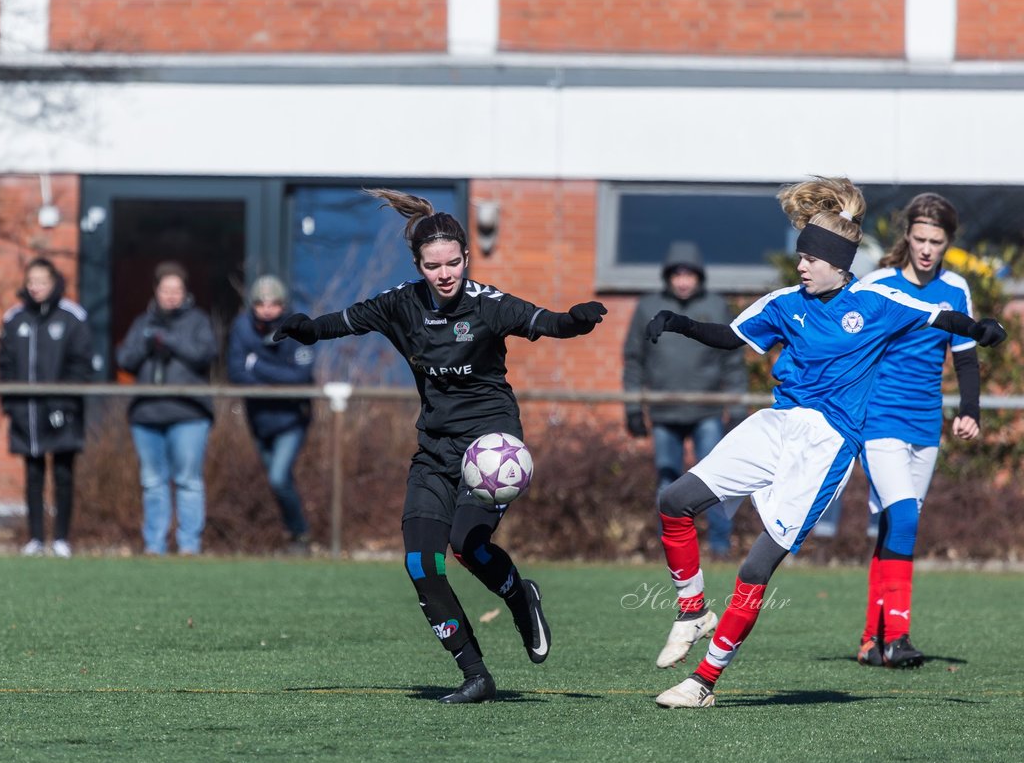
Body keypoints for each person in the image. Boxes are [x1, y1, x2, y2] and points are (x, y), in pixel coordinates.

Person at [642, 177, 1005, 708]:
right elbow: (729, 336)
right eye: (800, 257)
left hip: (828, 445)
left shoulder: (877, 301)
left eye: (810, 258)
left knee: (755, 566)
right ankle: (694, 610)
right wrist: (678, 322)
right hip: (778, 424)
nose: (801, 266)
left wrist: (980, 329)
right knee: (674, 501)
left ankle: (703, 683)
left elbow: (939, 317)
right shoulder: (786, 303)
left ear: (838, 262)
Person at [275, 188, 609, 704]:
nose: (446, 273)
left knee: (467, 545)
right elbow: (341, 322)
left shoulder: (488, 304)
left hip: (491, 448)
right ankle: (475, 674)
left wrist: (575, 320)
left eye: (454, 262)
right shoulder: (401, 304)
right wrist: (306, 330)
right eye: (434, 266)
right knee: (420, 565)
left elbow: (544, 322)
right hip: (434, 450)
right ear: (418, 265)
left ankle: (520, 596)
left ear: (466, 259)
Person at [854, 193, 980, 669]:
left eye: (937, 241)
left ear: (948, 242)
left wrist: (970, 410)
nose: (927, 249)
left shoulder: (956, 288)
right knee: (904, 518)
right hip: (880, 420)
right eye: (921, 238)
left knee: (893, 525)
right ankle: (899, 637)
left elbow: (965, 357)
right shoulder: (878, 284)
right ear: (907, 235)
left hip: (926, 426)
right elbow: (849, 343)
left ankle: (871, 640)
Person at [623, 240, 748, 558]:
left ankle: (720, 546)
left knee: (716, 479)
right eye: (676, 274)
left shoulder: (717, 306)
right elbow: (634, 359)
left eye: (689, 274)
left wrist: (736, 408)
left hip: (707, 410)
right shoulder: (647, 307)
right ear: (667, 276)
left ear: (699, 277)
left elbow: (732, 362)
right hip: (664, 411)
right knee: (668, 482)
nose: (682, 280)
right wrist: (633, 408)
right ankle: (671, 548)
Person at [116, 261, 217, 556]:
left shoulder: (198, 322)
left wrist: (170, 341)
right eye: (165, 290)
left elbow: (206, 354)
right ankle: (155, 545)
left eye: (176, 290)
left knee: (188, 480)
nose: (171, 296)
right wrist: (147, 344)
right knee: (152, 482)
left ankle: (189, 545)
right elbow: (124, 360)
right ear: (156, 291)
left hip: (189, 414)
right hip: (146, 416)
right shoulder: (142, 322)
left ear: (185, 292)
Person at [0, 257, 95, 559]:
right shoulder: (14, 319)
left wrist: (63, 405)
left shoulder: (72, 318)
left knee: (63, 474)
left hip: (63, 412)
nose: (36, 287)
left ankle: (62, 538)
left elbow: (80, 365)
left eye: (42, 281)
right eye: (31, 282)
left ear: (54, 284)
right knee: (33, 474)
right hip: (27, 413)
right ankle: (36, 538)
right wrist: (11, 405)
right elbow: (6, 366)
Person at [227, 275, 317, 555]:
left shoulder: (299, 327)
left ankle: (300, 536)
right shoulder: (241, 327)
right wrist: (273, 381)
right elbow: (237, 373)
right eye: (261, 303)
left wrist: (258, 367)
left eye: (274, 303)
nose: (267, 309)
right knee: (279, 480)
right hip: (259, 417)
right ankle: (293, 536)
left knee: (278, 477)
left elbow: (301, 377)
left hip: (292, 417)